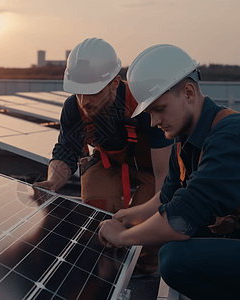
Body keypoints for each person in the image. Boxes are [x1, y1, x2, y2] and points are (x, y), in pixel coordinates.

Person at [98, 44, 240, 300]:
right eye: (149, 113)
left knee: (174, 259)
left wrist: (124, 237)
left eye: (159, 109)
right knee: (178, 238)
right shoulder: (186, 139)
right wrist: (127, 216)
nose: (154, 122)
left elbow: (180, 219)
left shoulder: (233, 138)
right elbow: (168, 197)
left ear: (189, 92)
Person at [33, 38, 173, 275]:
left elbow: (164, 174)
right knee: (96, 208)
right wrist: (51, 183)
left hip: (150, 166)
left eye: (92, 92)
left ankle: (144, 267)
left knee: (145, 222)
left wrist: (156, 216)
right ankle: (104, 264)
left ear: (114, 82)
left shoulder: (143, 104)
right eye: (79, 92)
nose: (84, 101)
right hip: (108, 161)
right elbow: (66, 149)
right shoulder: (73, 108)